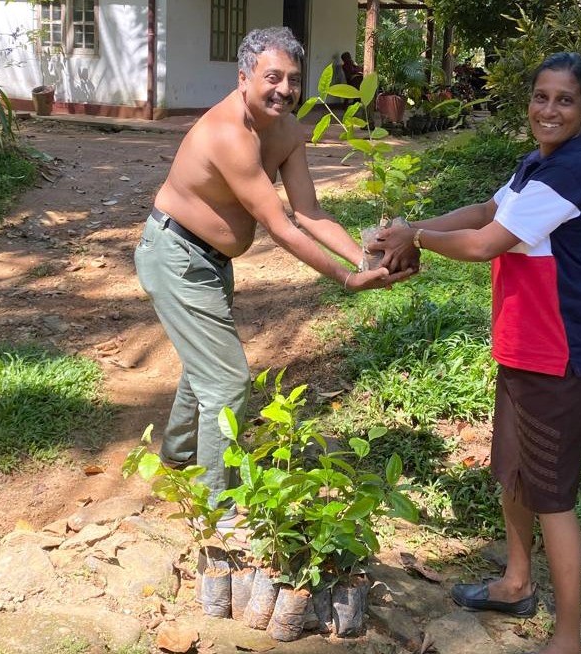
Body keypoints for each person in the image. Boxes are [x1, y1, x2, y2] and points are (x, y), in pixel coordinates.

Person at [375, 52, 581, 654]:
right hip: (523, 348)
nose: (548, 109)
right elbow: (485, 212)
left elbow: (484, 243)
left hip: (561, 356)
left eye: (564, 99)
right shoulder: (537, 165)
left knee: (552, 496)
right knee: (515, 472)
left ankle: (567, 637)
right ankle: (515, 581)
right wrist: (413, 226)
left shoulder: (575, 173)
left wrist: (417, 237)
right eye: (541, 96)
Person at [134, 27, 413, 526]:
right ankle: (217, 511)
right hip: (173, 255)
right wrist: (345, 281)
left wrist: (364, 259)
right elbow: (280, 226)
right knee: (227, 381)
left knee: (207, 365)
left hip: (210, 261)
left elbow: (309, 209)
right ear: (243, 77)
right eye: (272, 77)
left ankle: (176, 454)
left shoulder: (285, 131)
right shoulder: (228, 134)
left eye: (294, 80)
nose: (284, 89)